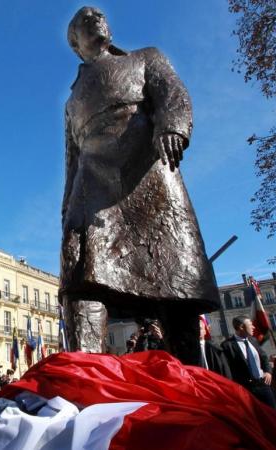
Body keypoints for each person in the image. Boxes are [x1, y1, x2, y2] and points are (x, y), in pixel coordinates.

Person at [60, 6, 219, 359]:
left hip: (147, 169)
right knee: (80, 272)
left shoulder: (146, 57)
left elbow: (172, 92)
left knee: (173, 269)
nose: (97, 20)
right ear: (75, 42)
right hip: (92, 183)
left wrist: (173, 125)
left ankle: (190, 370)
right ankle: (87, 369)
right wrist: (66, 205)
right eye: (86, 20)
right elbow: (71, 160)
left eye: (99, 16)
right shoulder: (72, 103)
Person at [220, 315, 276, 409]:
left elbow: (264, 358)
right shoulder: (227, 345)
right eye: (250, 324)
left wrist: (268, 372)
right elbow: (227, 369)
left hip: (263, 385)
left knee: (273, 415)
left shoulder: (253, 340)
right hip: (245, 389)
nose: (253, 327)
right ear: (241, 327)